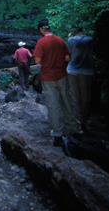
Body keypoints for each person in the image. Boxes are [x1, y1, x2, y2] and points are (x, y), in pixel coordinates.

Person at [34, 19, 81, 147]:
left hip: (48, 78)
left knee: (53, 105)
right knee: (67, 101)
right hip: (62, 75)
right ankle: (75, 129)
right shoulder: (60, 40)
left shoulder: (41, 42)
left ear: (41, 29)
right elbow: (67, 58)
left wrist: (47, 63)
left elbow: (38, 61)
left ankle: (58, 134)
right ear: (49, 28)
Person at [67, 27, 94, 132]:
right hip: (87, 71)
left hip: (72, 70)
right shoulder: (90, 39)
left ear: (74, 31)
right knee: (86, 98)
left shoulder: (70, 40)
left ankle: (77, 121)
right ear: (83, 31)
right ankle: (84, 121)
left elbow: (68, 54)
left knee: (75, 97)